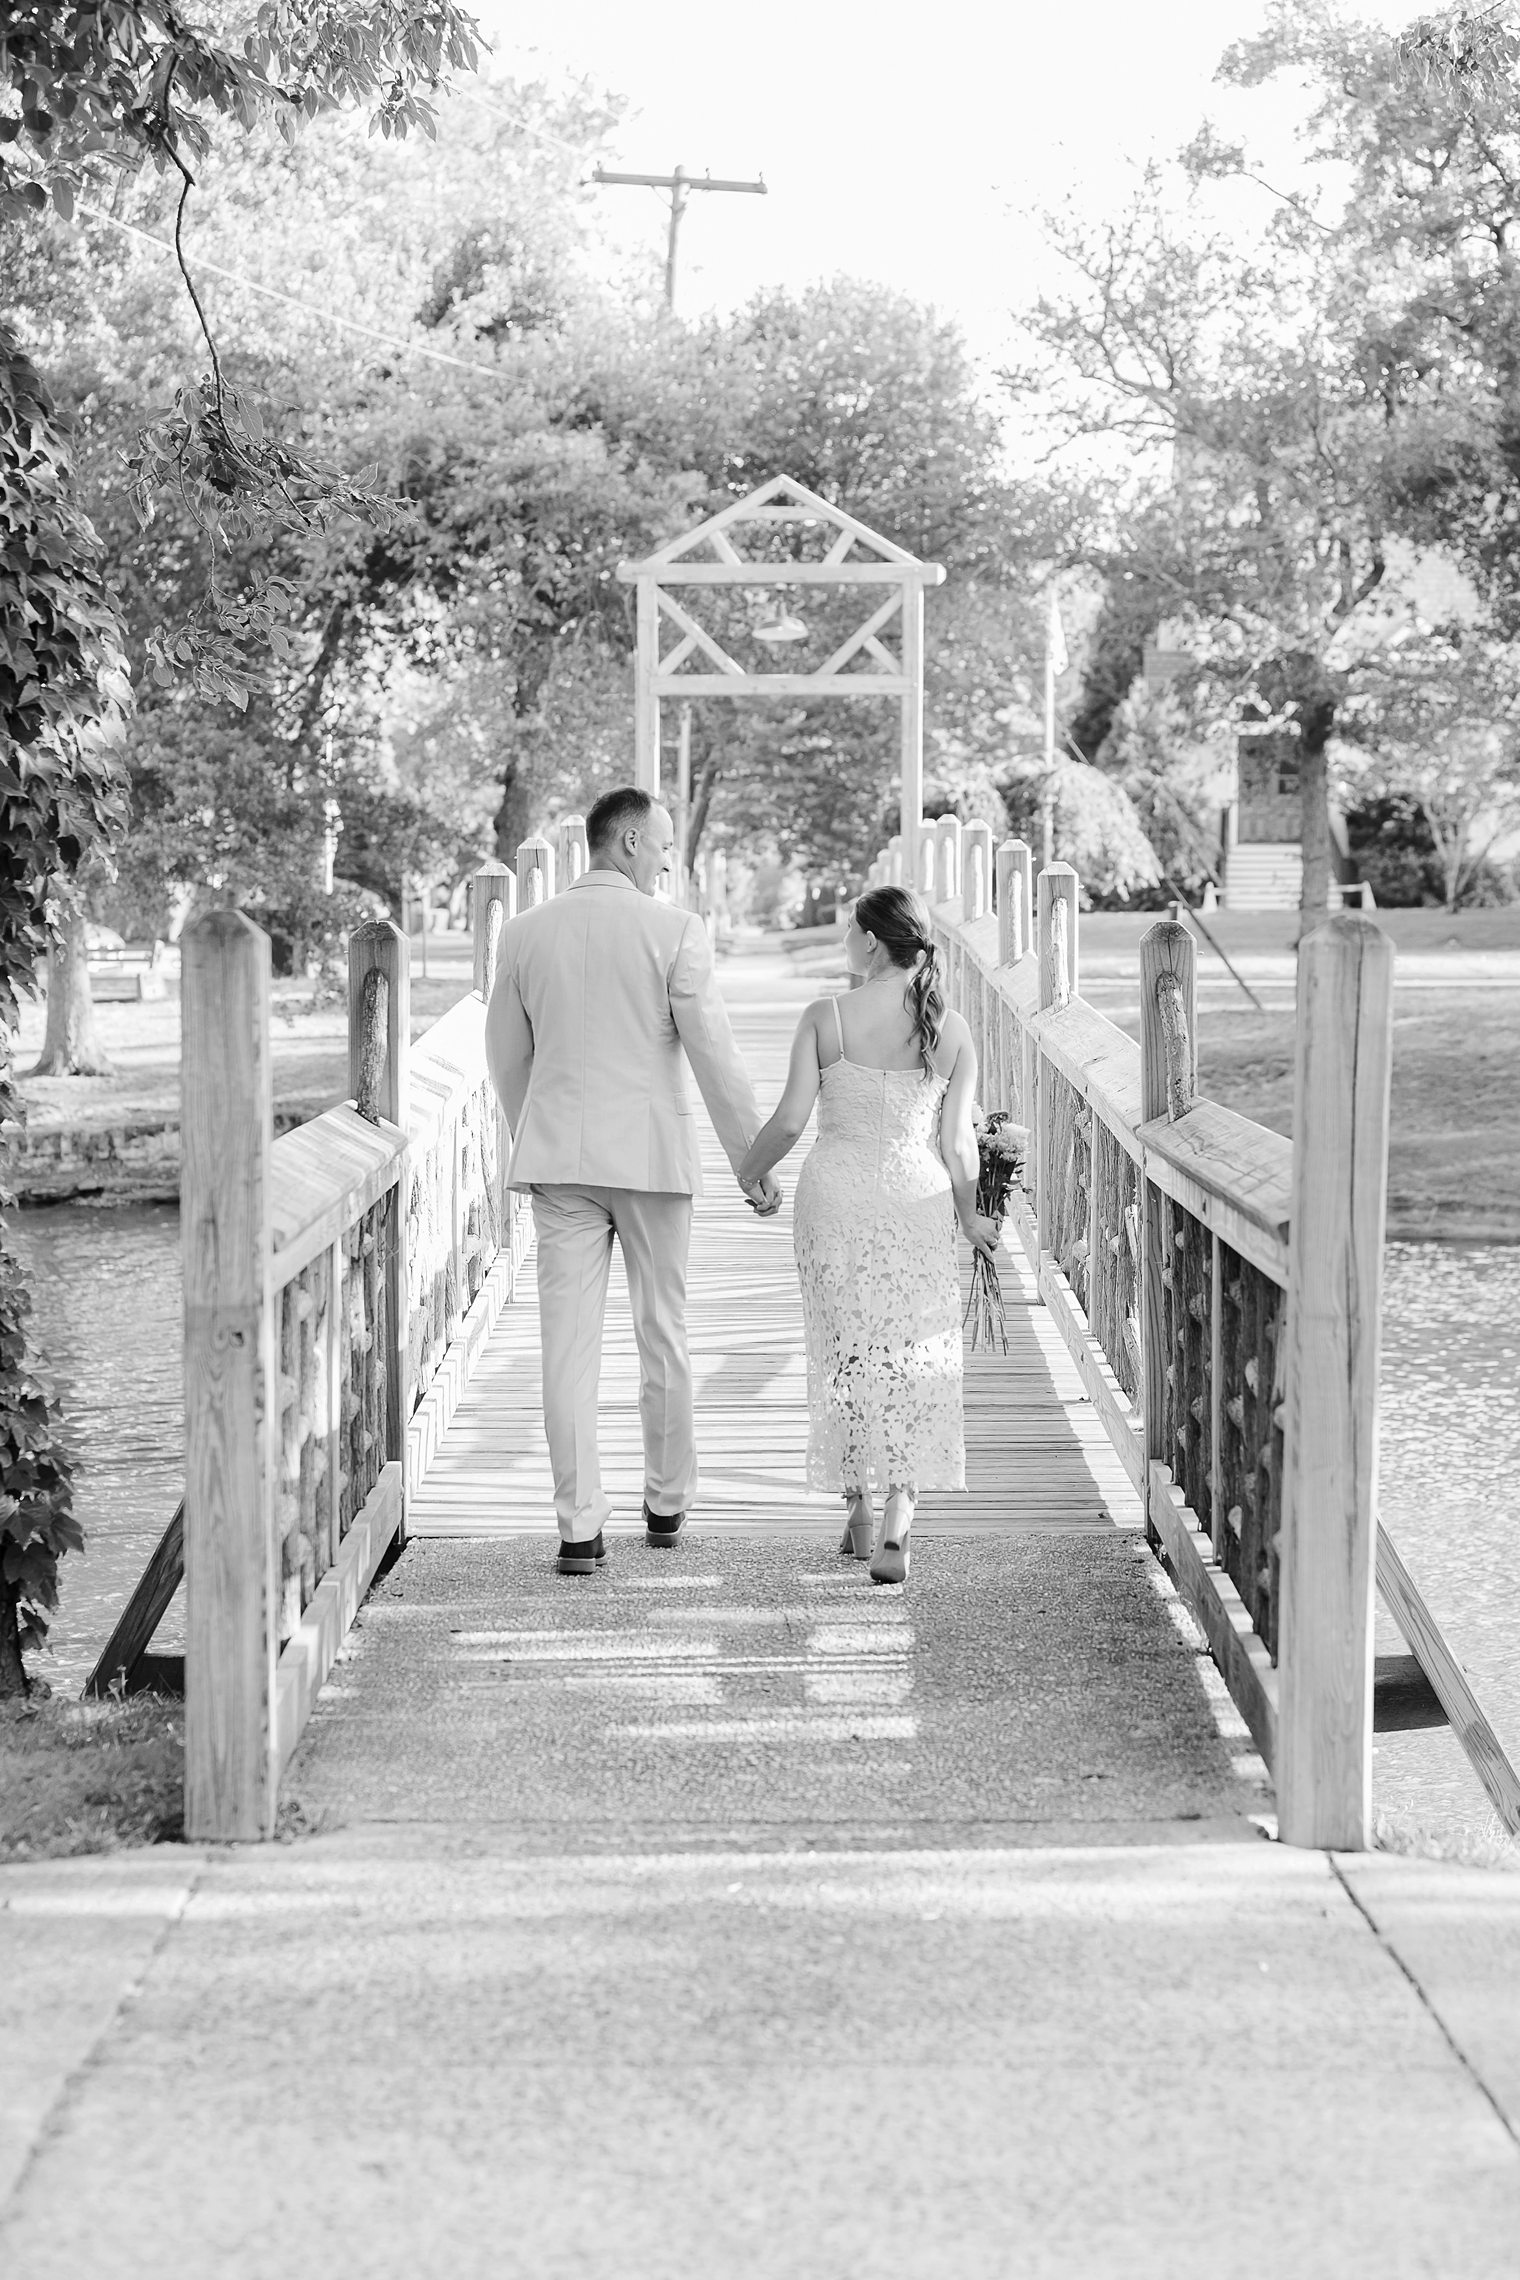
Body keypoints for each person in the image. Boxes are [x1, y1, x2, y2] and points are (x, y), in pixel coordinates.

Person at [485, 787, 781, 1573]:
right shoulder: (674, 932)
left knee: (566, 1349)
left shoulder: (522, 933)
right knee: (664, 1335)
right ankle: (666, 1503)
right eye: (660, 846)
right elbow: (714, 1055)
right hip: (651, 1160)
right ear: (624, 841)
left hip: (560, 1165)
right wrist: (750, 1162)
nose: (665, 860)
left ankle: (578, 1528)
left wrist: (537, 1131)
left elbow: (505, 1057)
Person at [738, 885, 997, 1584]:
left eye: (850, 931)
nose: (843, 943)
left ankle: (853, 1505)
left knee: (843, 1347)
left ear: (873, 943)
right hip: (917, 1199)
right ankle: (896, 1521)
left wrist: (749, 1172)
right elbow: (959, 1146)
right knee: (916, 1352)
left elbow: (791, 1122)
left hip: (835, 1197)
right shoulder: (954, 1029)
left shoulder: (826, 1015)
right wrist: (971, 1216)